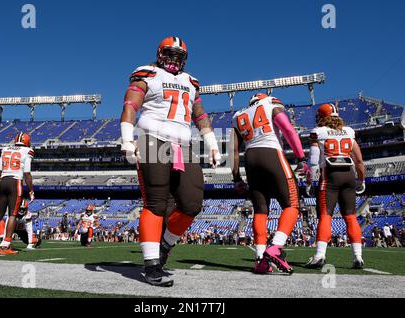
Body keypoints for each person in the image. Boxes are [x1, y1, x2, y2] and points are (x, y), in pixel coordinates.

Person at [119, 36, 221, 287]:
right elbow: (131, 104)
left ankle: (165, 245)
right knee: (155, 202)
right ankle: (151, 264)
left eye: (179, 55)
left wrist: (212, 143)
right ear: (160, 53)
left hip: (184, 145)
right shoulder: (148, 73)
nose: (174, 59)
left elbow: (200, 113)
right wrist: (126, 139)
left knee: (192, 203)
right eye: (170, 54)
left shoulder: (190, 81)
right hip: (153, 139)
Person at [231, 93, 310, 274]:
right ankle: (276, 247)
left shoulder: (238, 116)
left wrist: (236, 178)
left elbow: (233, 150)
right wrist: (301, 158)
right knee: (292, 204)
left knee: (260, 210)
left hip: (250, 159)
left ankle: (260, 260)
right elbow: (288, 130)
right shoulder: (270, 104)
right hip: (271, 153)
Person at [306, 103, 366, 269]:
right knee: (351, 216)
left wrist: (310, 181)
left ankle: (319, 256)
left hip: (330, 175)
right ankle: (358, 257)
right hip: (349, 175)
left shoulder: (318, 132)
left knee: (326, 215)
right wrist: (361, 180)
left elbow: (313, 161)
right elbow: (359, 161)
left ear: (322, 117)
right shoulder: (349, 131)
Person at [0, 132, 35, 255]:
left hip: (3, 181)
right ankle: (6, 245)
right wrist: (31, 190)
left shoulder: (5, 149)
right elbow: (27, 174)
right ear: (26, 141)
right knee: (13, 214)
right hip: (15, 183)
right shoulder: (27, 151)